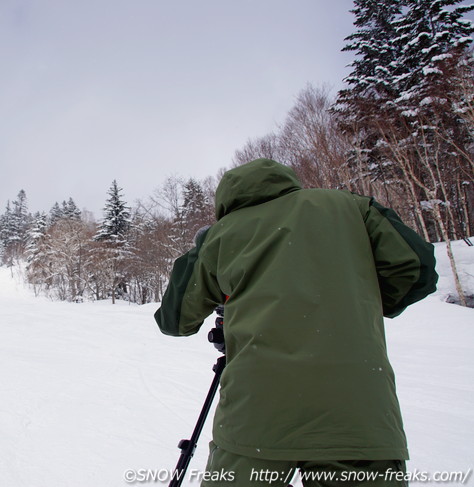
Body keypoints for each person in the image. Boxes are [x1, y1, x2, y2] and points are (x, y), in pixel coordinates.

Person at [155, 159, 437, 486]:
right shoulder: (353, 208)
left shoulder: (222, 234)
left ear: (225, 202)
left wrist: (209, 259)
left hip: (257, 418)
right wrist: (353, 305)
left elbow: (174, 319)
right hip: (357, 414)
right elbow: (416, 268)